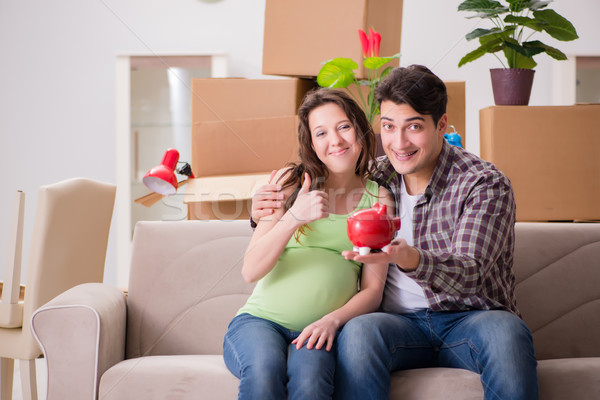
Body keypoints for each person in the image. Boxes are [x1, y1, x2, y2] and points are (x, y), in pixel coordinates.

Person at [251, 65, 539, 400]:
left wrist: (409, 258)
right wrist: (262, 211)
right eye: (388, 127)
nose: (399, 143)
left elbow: (471, 274)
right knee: (359, 334)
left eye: (414, 127)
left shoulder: (482, 183)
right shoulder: (378, 176)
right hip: (398, 325)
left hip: (472, 319)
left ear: (441, 125)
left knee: (508, 335)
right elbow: (320, 187)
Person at [223, 88, 394, 400]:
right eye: (321, 133)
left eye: (344, 127)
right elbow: (251, 270)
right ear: (312, 144)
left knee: (312, 383)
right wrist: (295, 216)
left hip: (320, 329)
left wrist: (331, 321)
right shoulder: (290, 181)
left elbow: (372, 291)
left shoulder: (379, 198)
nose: (336, 141)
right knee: (265, 372)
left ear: (359, 129)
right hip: (260, 322)